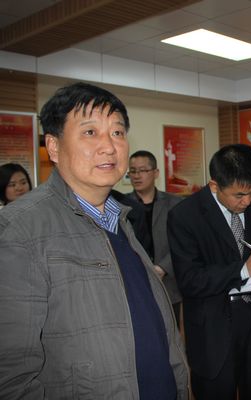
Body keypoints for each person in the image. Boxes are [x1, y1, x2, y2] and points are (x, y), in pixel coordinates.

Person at [0, 82, 189, 399]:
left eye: (117, 132)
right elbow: (11, 376)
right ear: (54, 146)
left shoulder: (120, 218)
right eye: (90, 132)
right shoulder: (19, 230)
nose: (109, 147)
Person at [168, 143, 251, 400]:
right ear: (215, 186)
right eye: (239, 195)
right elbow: (189, 280)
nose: (247, 201)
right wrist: (242, 269)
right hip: (213, 332)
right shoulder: (185, 216)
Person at [127, 150, 182, 326]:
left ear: (156, 173)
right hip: (134, 282)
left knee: (170, 332)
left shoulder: (175, 204)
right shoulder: (121, 205)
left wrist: (163, 267)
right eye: (132, 171)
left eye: (143, 170)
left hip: (168, 283)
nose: (137, 176)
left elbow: (183, 243)